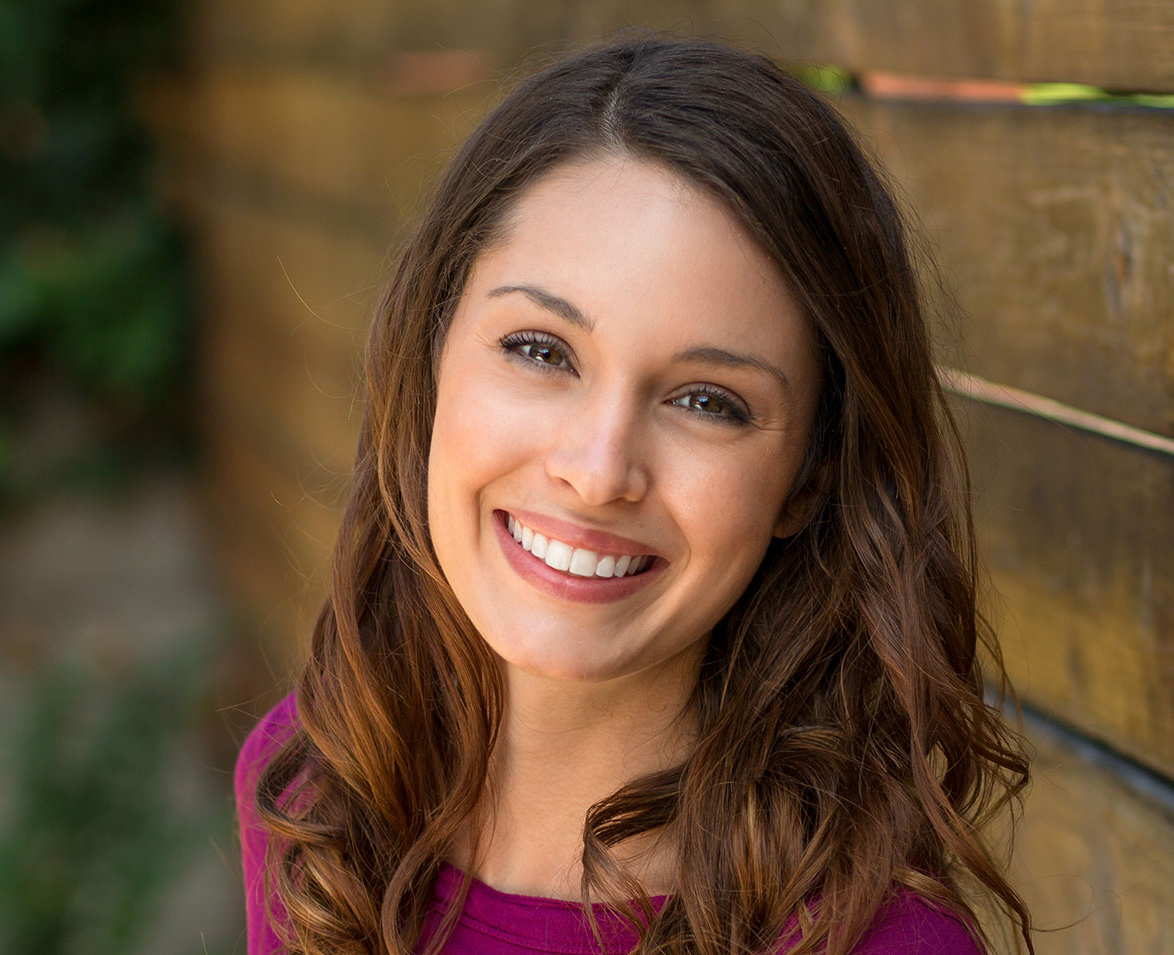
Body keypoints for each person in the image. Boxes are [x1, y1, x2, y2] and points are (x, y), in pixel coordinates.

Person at [233, 32, 1036, 955]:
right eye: (540, 349)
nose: (600, 467)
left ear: (810, 479)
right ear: (431, 360)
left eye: (708, 401)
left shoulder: (872, 941)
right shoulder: (317, 791)